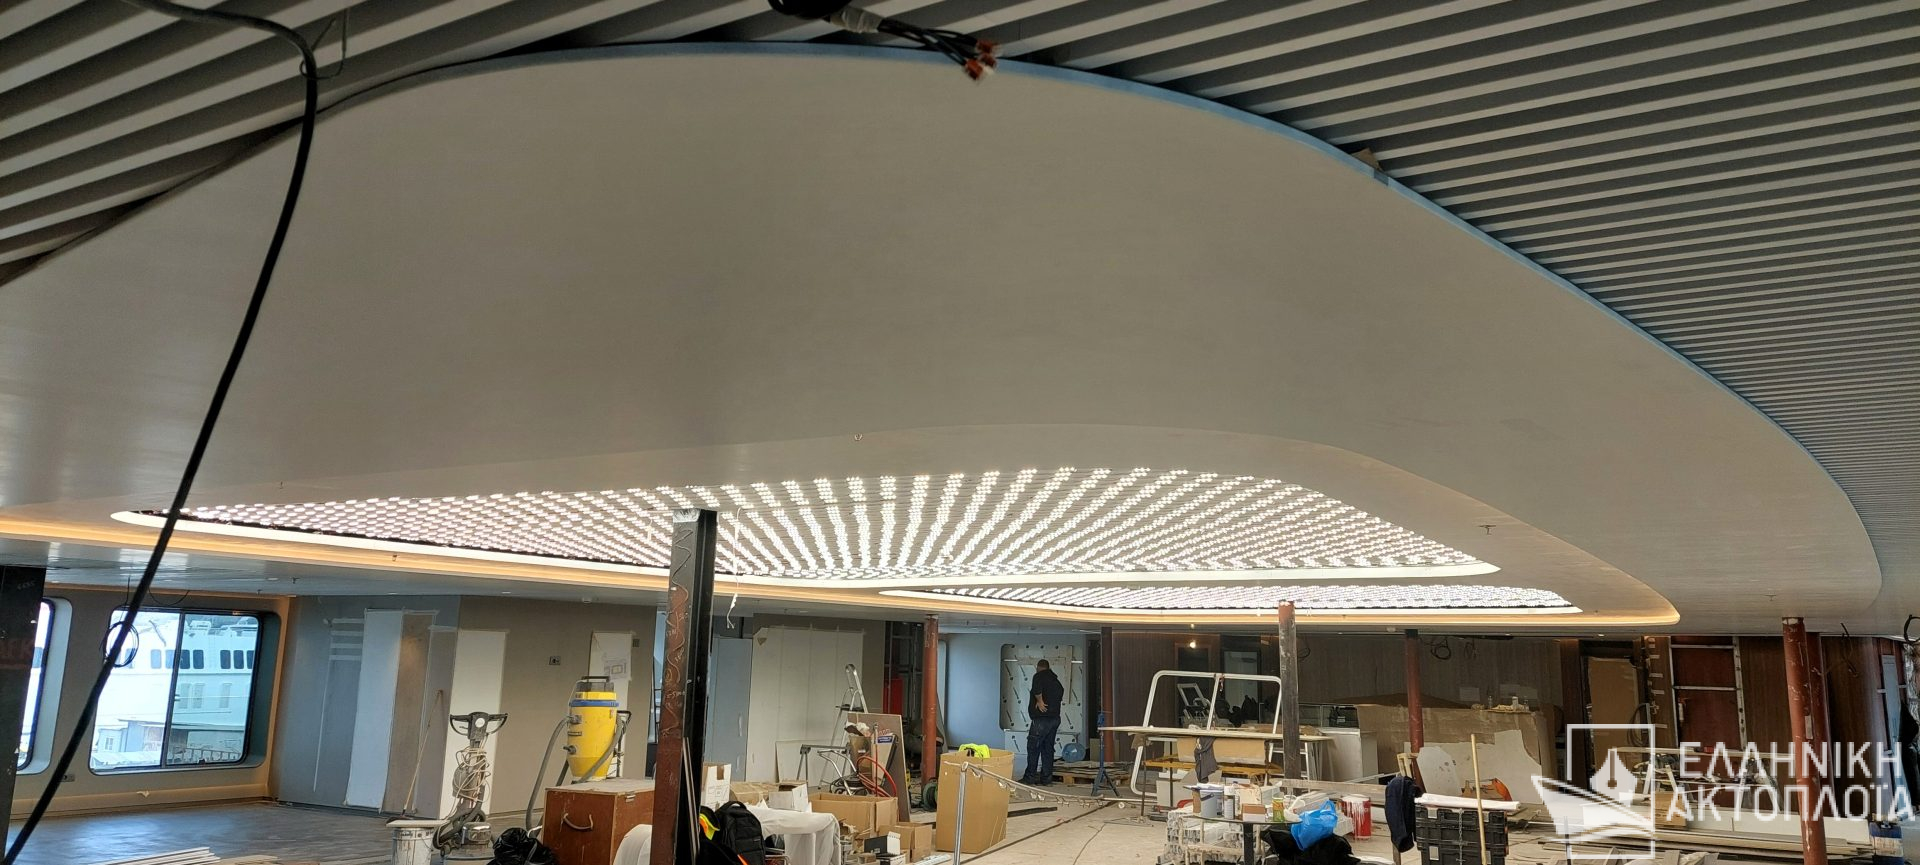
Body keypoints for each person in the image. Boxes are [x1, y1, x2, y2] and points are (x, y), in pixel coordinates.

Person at [1021, 659, 1065, 785]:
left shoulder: (1039, 676)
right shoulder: (1056, 681)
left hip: (1041, 719)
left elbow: (1036, 689)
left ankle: (1030, 777)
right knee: (1048, 749)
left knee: (1033, 747)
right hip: (1055, 719)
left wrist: (1039, 701)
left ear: (1038, 667)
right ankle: (1046, 779)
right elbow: (1060, 694)